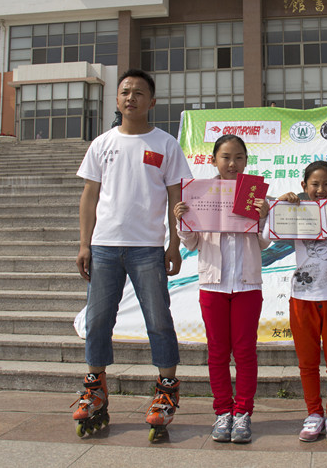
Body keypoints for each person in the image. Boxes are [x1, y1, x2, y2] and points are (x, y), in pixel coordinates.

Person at [73, 68, 192, 438]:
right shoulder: (102, 144)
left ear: (151, 102)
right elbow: (89, 197)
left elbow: (176, 198)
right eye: (125, 92)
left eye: (139, 93)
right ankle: (95, 390)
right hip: (104, 246)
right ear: (117, 99)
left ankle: (166, 392)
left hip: (147, 248)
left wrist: (174, 244)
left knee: (158, 320)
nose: (131, 98)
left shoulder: (165, 144)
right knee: (97, 320)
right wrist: (84, 243)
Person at [173, 134, 270, 444]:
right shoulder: (201, 193)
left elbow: (265, 243)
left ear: (246, 161)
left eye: (239, 157)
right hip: (213, 285)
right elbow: (191, 243)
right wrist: (183, 220)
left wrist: (265, 216)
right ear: (214, 160)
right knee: (217, 351)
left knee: (245, 352)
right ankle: (222, 412)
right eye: (226, 157)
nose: (232, 163)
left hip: (246, 284)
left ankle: (243, 413)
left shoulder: (254, 194)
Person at [276, 161, 327, 444]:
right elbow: (266, 235)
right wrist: (280, 206)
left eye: (326, 184)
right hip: (302, 298)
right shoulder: (296, 212)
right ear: (304, 186)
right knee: (307, 363)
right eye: (314, 184)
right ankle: (314, 413)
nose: (320, 189)